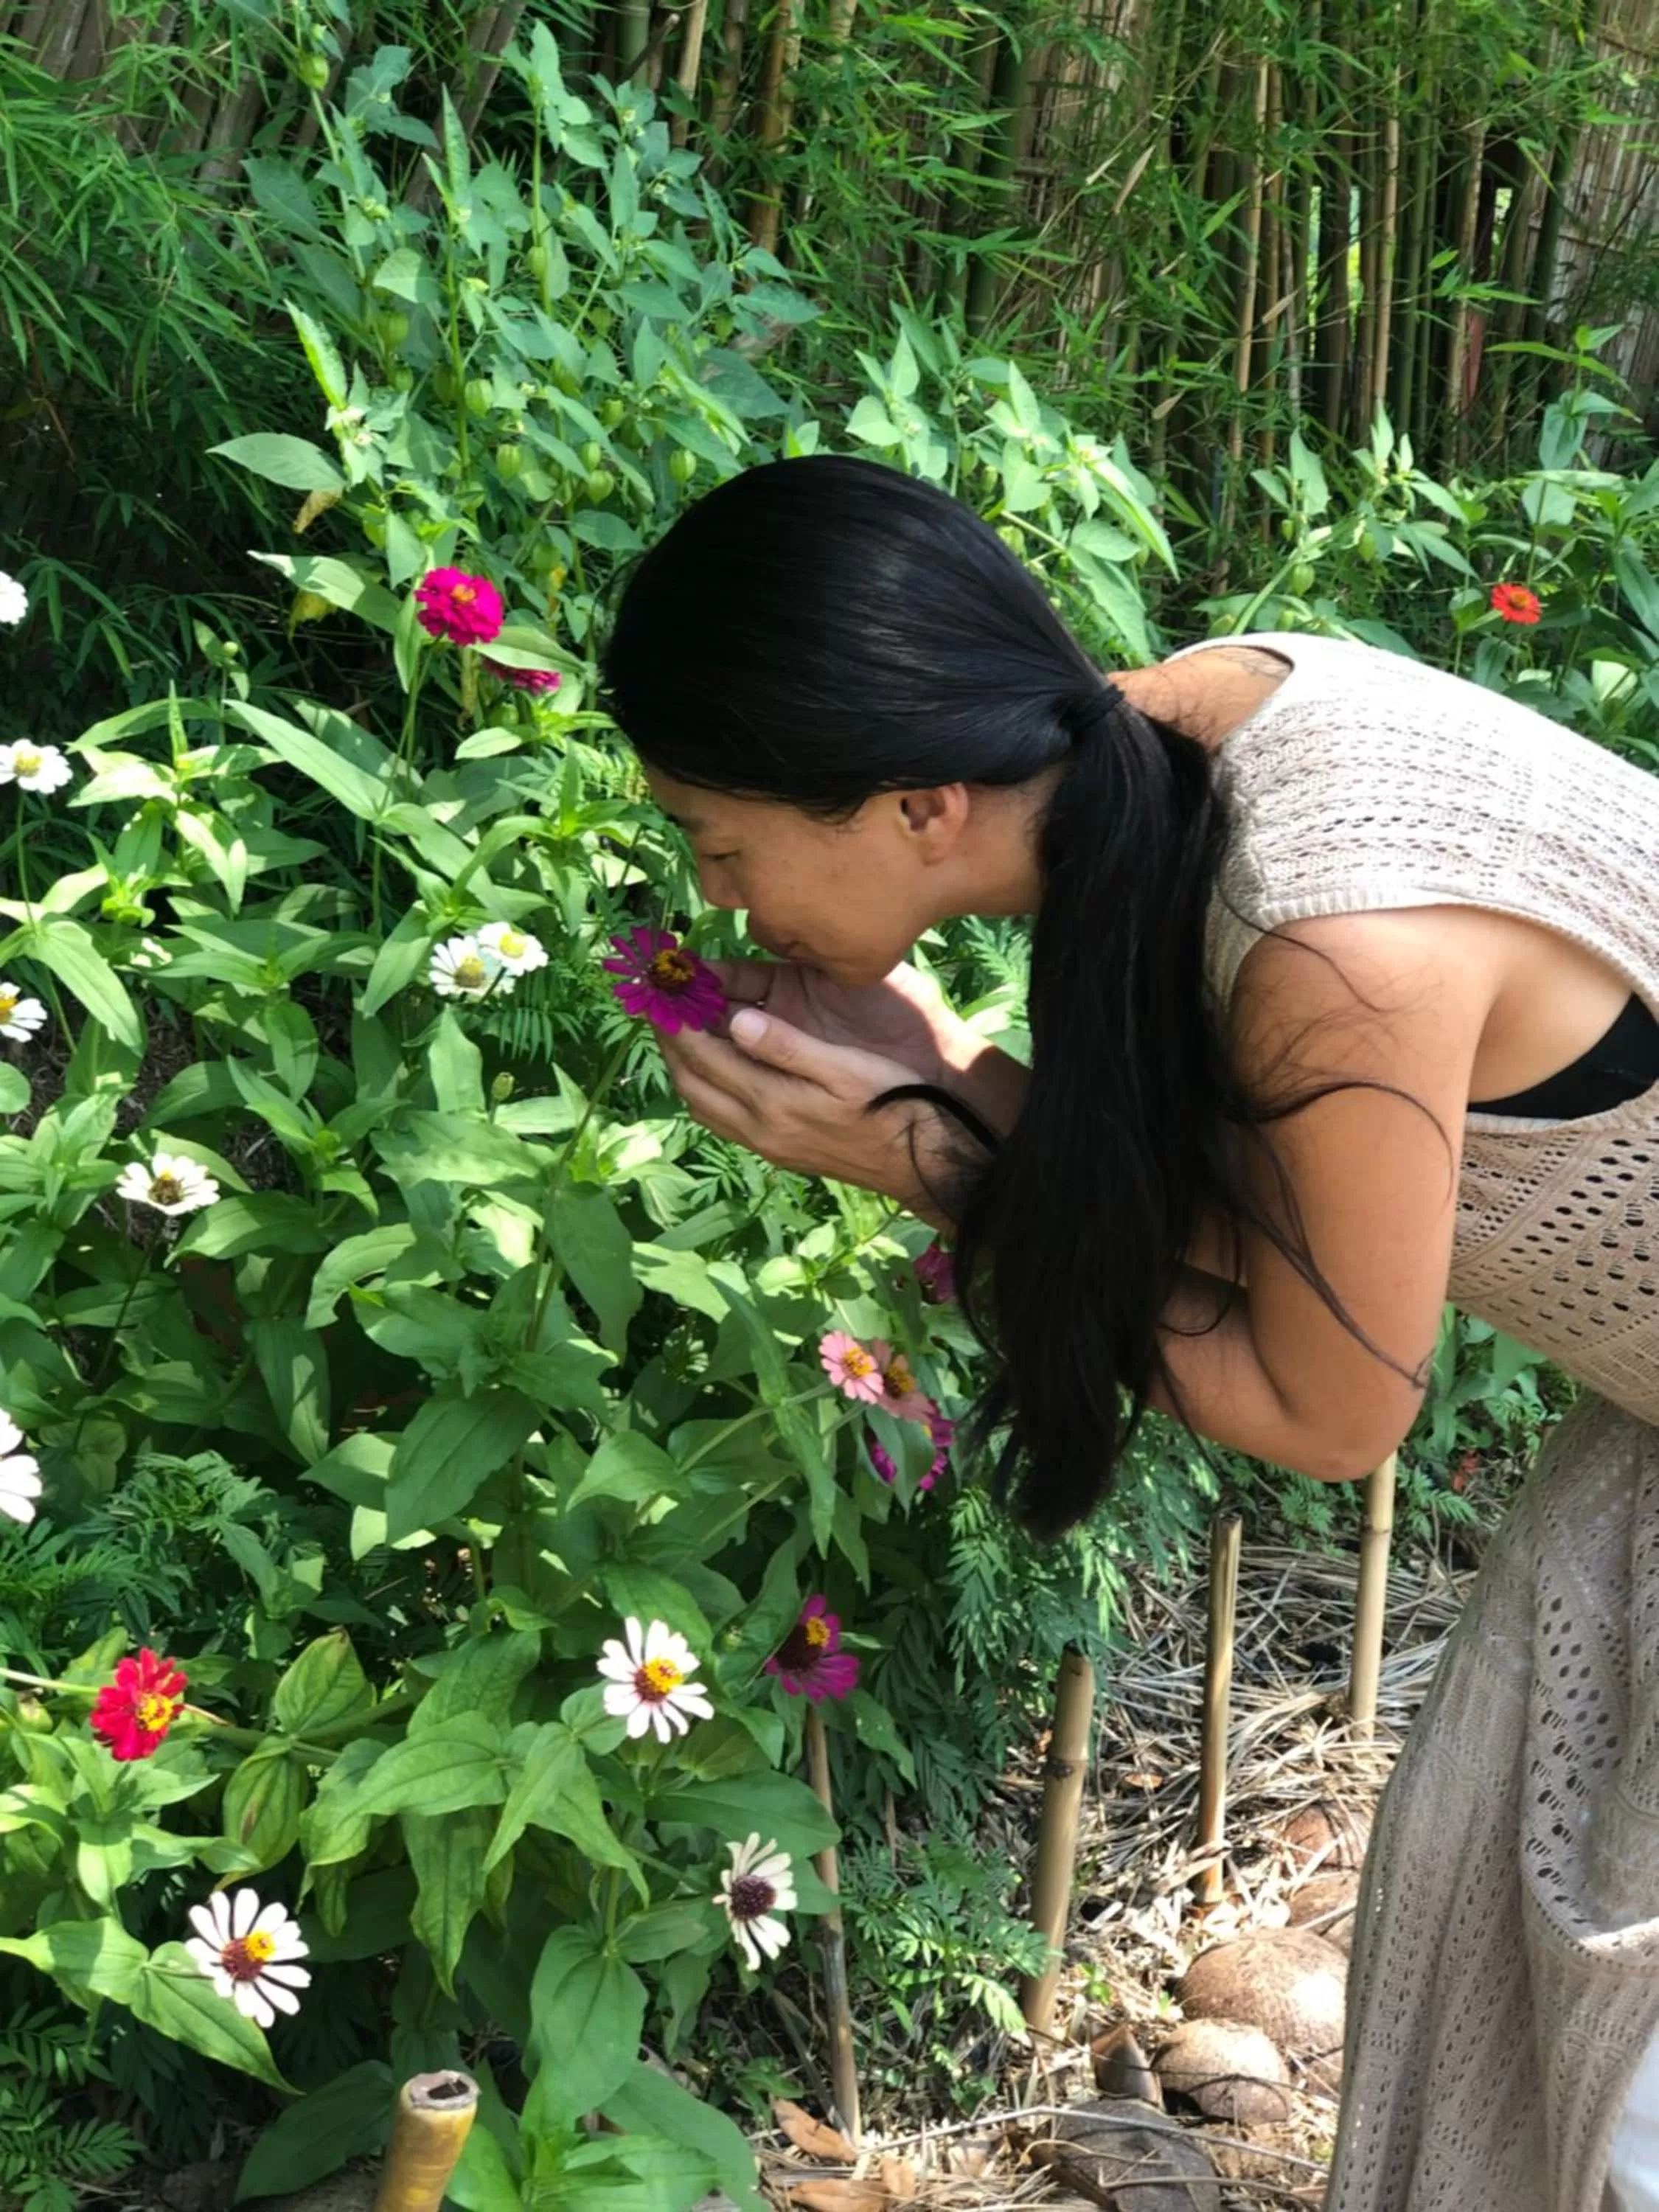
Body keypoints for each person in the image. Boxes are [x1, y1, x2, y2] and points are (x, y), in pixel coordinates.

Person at [595, 451, 1659, 2212]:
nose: (719, 904)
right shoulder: (1182, 735)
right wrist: (940, 1074)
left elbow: (1326, 1404)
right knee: (1504, 1936)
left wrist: (933, 1158)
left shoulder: (1327, 926)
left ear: (920, 803)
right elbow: (1250, 1219)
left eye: (723, 845)